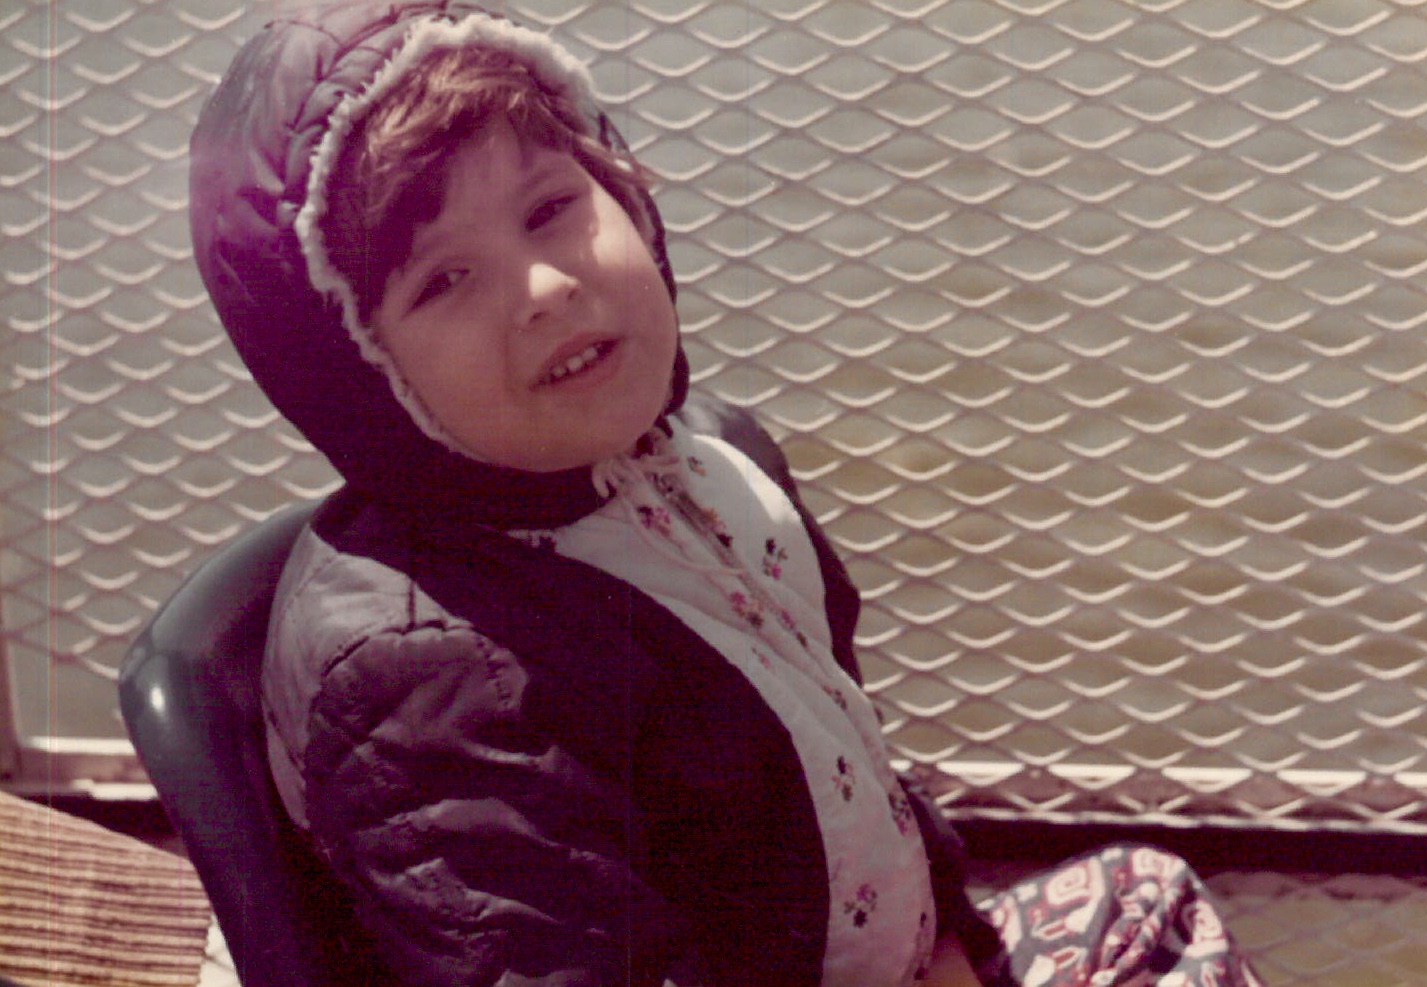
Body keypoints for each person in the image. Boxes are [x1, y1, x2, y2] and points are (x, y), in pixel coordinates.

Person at [188, 3, 1266, 985]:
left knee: (1149, 900)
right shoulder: (432, 680)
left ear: (625, 194)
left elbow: (853, 771)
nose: (546, 287)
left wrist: (948, 947)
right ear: (359, 376)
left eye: (551, 208)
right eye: (444, 280)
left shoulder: (716, 465)